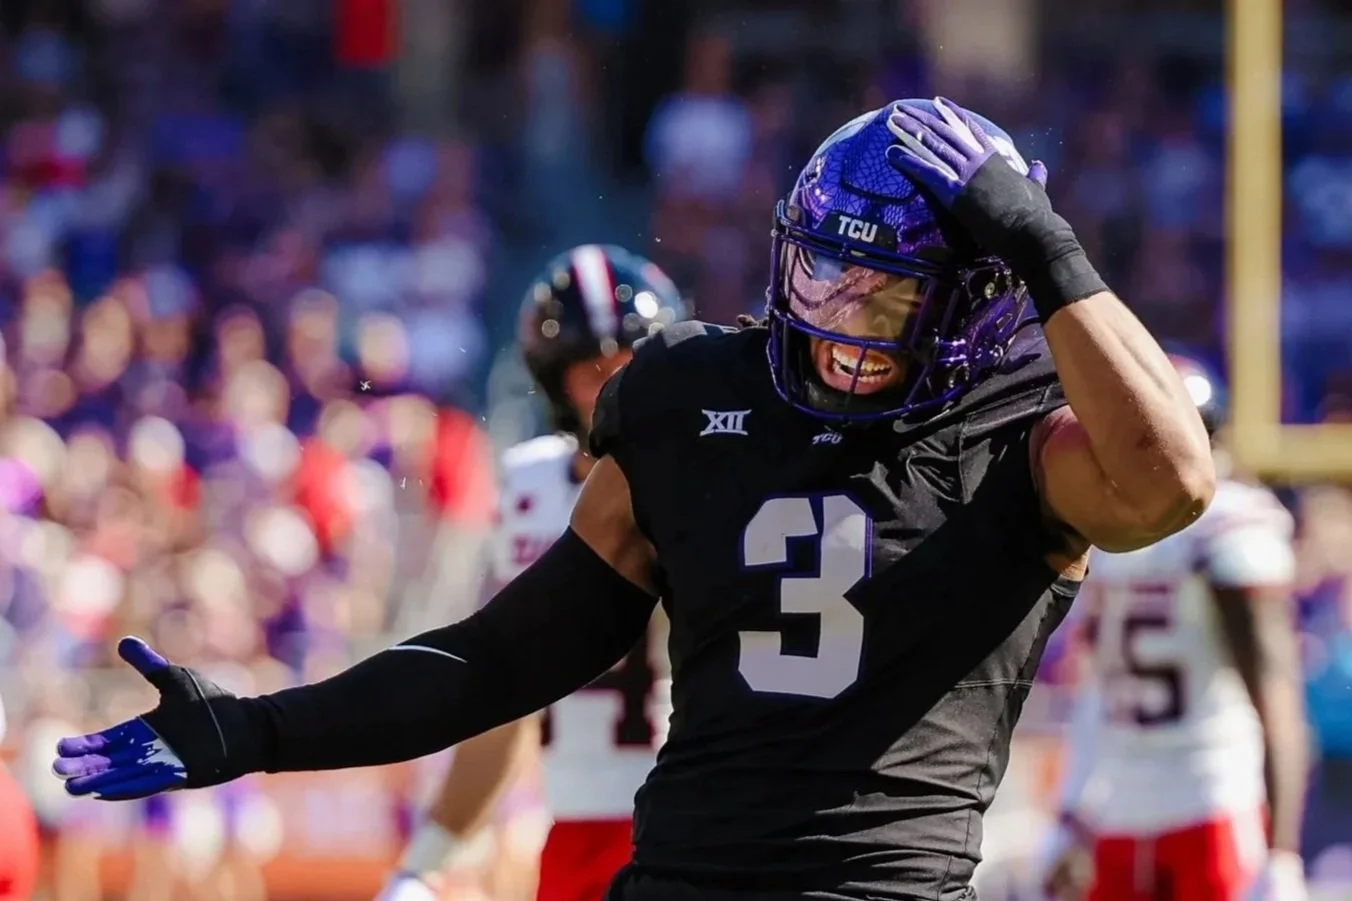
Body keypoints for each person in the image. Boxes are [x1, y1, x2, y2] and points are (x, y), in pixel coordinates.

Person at [51, 98, 1216, 901]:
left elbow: (1171, 484)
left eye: (885, 297)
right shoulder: (690, 393)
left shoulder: (1022, 431)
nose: (840, 317)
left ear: (977, 298)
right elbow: (502, 659)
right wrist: (261, 728)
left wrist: (1046, 247)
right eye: (826, 270)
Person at [375, 244, 684, 901]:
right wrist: (424, 866)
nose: (613, 388)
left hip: (689, 819)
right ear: (553, 381)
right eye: (592, 371)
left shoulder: (702, 481)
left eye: (629, 366)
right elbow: (504, 696)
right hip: (575, 827)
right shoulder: (528, 489)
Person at [1041, 353, 1310, 901]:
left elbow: (1274, 695)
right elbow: (1099, 690)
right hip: (1156, 807)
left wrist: (1281, 852)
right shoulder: (1216, 526)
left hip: (1200, 802)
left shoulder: (1119, 531)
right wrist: (1072, 814)